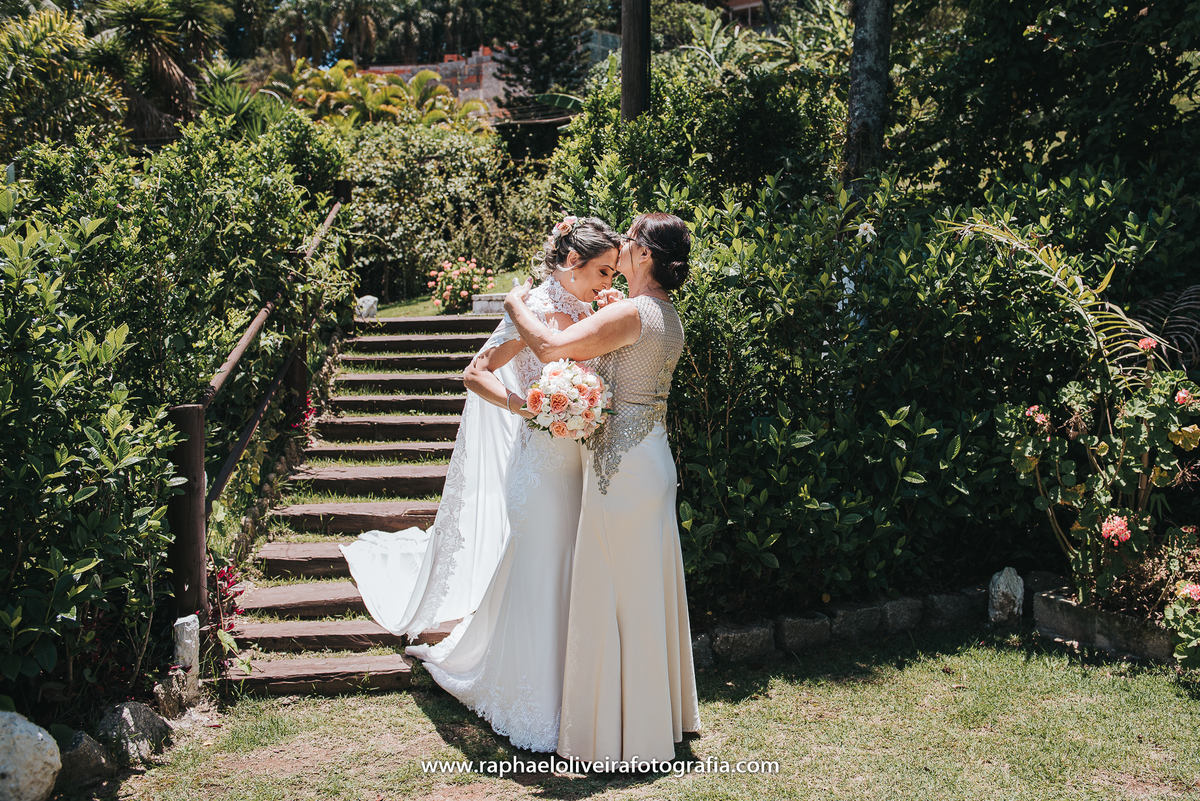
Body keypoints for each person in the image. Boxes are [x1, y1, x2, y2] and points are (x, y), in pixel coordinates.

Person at [399, 217, 622, 752]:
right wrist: (529, 407)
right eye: (602, 270)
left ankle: (578, 689)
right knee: (541, 569)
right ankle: (530, 697)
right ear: (572, 262)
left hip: (584, 460)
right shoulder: (535, 309)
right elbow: (476, 372)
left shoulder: (592, 308)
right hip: (541, 463)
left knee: (576, 568)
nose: (607, 281)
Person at [503, 212, 701, 764]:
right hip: (650, 459)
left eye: (629, 241)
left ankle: (622, 737)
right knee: (644, 592)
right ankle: (657, 723)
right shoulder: (664, 314)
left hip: (623, 470)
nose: (622, 249)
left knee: (614, 594)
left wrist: (516, 304)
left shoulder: (634, 313)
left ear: (643, 255)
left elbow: (549, 348)